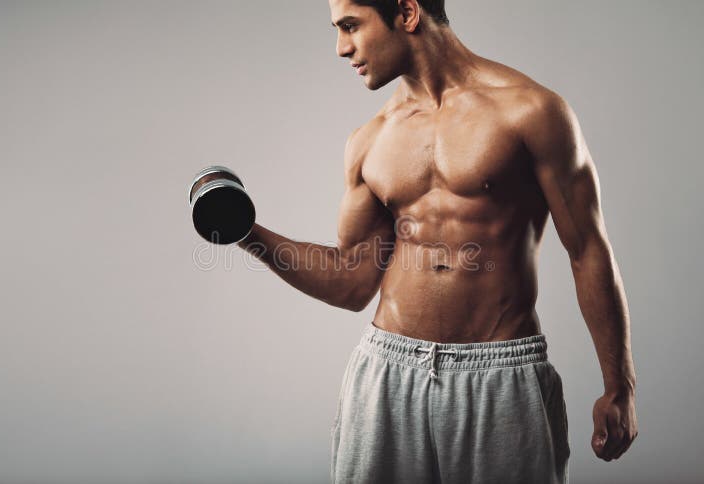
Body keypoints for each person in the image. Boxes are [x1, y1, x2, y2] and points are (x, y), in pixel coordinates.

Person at [236, 0, 638, 482]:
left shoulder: (531, 112)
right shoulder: (369, 141)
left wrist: (619, 386)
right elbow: (352, 283)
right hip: (387, 374)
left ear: (407, 13)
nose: (341, 48)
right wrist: (245, 233)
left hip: (501, 377)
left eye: (350, 26)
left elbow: (586, 249)